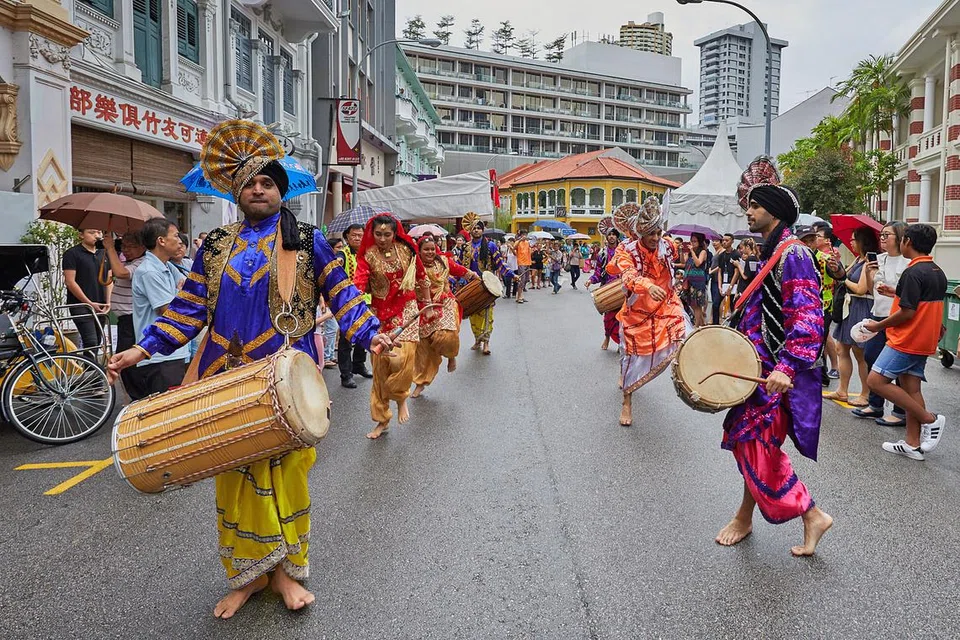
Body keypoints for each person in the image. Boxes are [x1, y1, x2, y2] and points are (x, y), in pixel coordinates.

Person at [106, 119, 392, 619]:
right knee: (233, 476)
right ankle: (250, 574)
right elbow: (189, 306)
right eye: (249, 183)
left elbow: (343, 294)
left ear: (282, 191)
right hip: (223, 380)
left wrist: (371, 334)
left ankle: (285, 574)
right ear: (236, 192)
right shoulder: (215, 245)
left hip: (287, 379)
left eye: (267, 182)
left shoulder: (306, 239)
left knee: (288, 475)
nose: (258, 189)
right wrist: (143, 348)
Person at [715, 168, 832, 557]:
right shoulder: (771, 252)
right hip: (757, 372)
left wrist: (786, 367)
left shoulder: (794, 253)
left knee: (755, 442)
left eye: (757, 205)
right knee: (753, 441)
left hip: (775, 373)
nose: (749, 211)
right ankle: (745, 516)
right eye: (749, 204)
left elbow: (808, 316)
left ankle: (811, 512)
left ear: (776, 212)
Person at [865, 223, 947, 461]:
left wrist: (878, 325)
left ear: (907, 242)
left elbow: (907, 313)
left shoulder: (913, 272)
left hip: (906, 339)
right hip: (923, 340)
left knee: (875, 381)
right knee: (911, 388)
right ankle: (912, 443)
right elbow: (919, 304)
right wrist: (895, 292)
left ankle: (930, 419)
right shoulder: (936, 271)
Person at [607, 198, 686, 428]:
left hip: (666, 304)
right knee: (630, 356)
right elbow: (628, 275)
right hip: (637, 311)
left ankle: (688, 380)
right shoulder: (626, 250)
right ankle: (627, 402)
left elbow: (677, 254)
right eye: (651, 233)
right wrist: (648, 286)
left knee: (682, 333)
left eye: (658, 232)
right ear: (640, 233)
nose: (655, 238)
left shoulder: (668, 245)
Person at [353, 213, 433, 439]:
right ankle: (381, 419)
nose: (382, 238)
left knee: (401, 358)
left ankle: (401, 397)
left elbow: (421, 277)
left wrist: (426, 304)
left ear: (394, 233)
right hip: (380, 315)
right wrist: (350, 304)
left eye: (387, 234)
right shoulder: (367, 256)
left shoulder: (407, 250)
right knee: (380, 367)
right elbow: (359, 283)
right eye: (378, 234)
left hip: (407, 309)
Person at [852, 221, 908, 426]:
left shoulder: (907, 262)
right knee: (871, 357)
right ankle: (875, 404)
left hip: (898, 317)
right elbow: (868, 290)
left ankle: (900, 411)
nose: (882, 239)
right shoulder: (878, 259)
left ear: (900, 237)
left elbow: (906, 292)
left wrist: (891, 289)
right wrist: (868, 272)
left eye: (887, 235)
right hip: (877, 314)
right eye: (881, 235)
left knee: (898, 365)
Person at [130, 217, 191, 396]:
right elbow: (167, 310)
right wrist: (182, 295)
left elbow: (189, 288)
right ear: (161, 241)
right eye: (175, 235)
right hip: (159, 356)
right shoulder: (149, 271)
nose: (180, 241)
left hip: (175, 352)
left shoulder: (168, 267)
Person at [411, 233, 477, 398]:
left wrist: (475, 276)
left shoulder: (444, 262)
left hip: (445, 303)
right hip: (423, 307)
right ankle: (420, 382)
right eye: (426, 249)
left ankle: (451, 355)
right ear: (419, 251)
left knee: (446, 335)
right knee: (423, 348)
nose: (430, 252)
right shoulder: (412, 267)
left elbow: (460, 270)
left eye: (433, 249)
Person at [824, 227, 879, 406]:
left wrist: (843, 280)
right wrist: (837, 268)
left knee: (860, 352)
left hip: (861, 306)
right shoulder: (858, 259)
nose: (852, 242)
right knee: (842, 348)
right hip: (851, 307)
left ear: (863, 241)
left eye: (854, 239)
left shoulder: (869, 262)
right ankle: (842, 390)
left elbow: (861, 289)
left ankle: (865, 393)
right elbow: (844, 274)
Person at [457, 214, 511, 355]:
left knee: (487, 315)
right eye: (474, 228)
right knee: (473, 316)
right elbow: (458, 266)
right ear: (470, 231)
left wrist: (512, 275)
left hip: (486, 286)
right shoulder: (465, 248)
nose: (476, 230)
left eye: (479, 228)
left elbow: (500, 264)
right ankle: (477, 339)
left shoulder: (491, 246)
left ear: (482, 230)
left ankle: (486, 342)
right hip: (471, 285)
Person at [103, 230, 147, 399]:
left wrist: (110, 249)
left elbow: (121, 273)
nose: (126, 250)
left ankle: (139, 398)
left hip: (131, 319)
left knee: (127, 362)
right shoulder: (131, 261)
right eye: (123, 246)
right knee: (124, 362)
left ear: (142, 247)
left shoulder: (142, 263)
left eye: (131, 246)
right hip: (125, 319)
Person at [62, 228, 111, 358]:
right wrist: (88, 302)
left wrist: (108, 301)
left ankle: (92, 372)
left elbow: (109, 279)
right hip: (80, 305)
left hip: (100, 303)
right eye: (91, 232)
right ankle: (90, 374)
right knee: (91, 341)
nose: (96, 235)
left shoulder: (104, 253)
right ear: (81, 235)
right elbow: (70, 282)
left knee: (98, 340)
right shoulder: (72, 253)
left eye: (99, 232)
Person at [336, 223, 373, 388]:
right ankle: (346, 374)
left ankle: (359, 364)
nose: (357, 238)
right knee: (346, 340)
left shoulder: (368, 255)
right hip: (348, 304)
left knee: (364, 336)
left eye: (360, 235)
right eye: (354, 235)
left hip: (366, 301)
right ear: (347, 237)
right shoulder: (342, 255)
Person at [813, 223, 842, 383]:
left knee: (819, 341)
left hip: (824, 303)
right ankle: (822, 374)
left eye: (818, 236)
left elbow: (839, 276)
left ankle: (823, 375)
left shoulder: (827, 257)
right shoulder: (816, 254)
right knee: (821, 340)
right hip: (819, 303)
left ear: (828, 241)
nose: (815, 238)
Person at [584, 228, 622, 351]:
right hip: (607, 289)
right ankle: (607, 338)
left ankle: (620, 343)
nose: (611, 237)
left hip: (622, 288)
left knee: (622, 318)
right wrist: (591, 280)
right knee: (608, 319)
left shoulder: (623, 253)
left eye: (613, 235)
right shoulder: (602, 254)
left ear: (617, 237)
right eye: (609, 235)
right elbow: (598, 272)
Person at [680, 232, 710, 327]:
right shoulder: (689, 253)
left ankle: (697, 325)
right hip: (689, 279)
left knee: (697, 304)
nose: (692, 243)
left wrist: (692, 251)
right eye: (691, 241)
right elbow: (683, 262)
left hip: (698, 280)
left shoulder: (703, 252)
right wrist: (681, 251)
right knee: (691, 303)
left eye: (695, 241)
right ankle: (702, 323)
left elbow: (698, 263)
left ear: (700, 242)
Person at [709, 233, 737, 323]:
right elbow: (720, 271)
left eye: (727, 240)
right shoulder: (721, 255)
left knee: (733, 306)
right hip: (722, 283)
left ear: (732, 241)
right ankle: (715, 323)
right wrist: (720, 286)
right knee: (715, 304)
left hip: (733, 283)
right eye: (723, 240)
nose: (724, 242)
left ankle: (734, 325)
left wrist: (731, 286)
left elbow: (737, 273)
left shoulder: (736, 254)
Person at [515, 229, 531, 303]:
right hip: (521, 262)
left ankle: (521, 295)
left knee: (526, 279)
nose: (525, 236)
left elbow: (528, 252)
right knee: (521, 280)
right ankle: (519, 297)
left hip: (527, 262)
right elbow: (514, 247)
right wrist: (520, 240)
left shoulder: (527, 243)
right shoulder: (518, 242)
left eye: (526, 234)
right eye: (523, 234)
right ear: (521, 235)